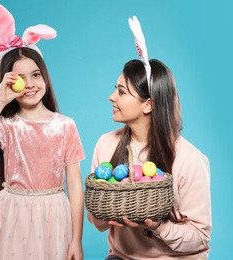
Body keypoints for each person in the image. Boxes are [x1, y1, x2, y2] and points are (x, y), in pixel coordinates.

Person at [87, 16, 211, 259]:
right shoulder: (106, 144)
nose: (111, 97)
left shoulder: (189, 158)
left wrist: (157, 226)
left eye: (121, 92)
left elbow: (199, 236)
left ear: (148, 105)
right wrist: (107, 211)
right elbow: (97, 222)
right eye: (116, 88)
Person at [0, 3, 85, 259]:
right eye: (20, 79)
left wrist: (77, 239)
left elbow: (75, 185)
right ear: (8, 83)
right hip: (13, 215)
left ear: (45, 77)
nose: (30, 84)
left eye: (36, 75)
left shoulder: (65, 125)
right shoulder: (7, 125)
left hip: (54, 215)